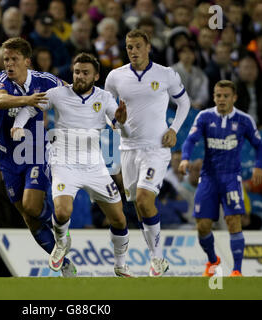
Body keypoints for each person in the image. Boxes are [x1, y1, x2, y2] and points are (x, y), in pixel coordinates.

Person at [12, 53, 132, 277]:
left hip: (94, 165)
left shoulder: (105, 98)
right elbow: (30, 108)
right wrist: (18, 125)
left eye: (85, 73)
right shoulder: (58, 94)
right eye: (77, 72)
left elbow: (118, 128)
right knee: (63, 210)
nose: (79, 77)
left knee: (119, 218)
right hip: (63, 162)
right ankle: (60, 244)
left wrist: (122, 122)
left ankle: (120, 264)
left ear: (96, 76)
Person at [104, 29, 191, 276]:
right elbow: (110, 115)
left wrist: (174, 129)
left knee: (144, 199)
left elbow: (184, 102)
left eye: (137, 46)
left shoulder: (165, 74)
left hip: (156, 148)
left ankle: (157, 258)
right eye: (129, 47)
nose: (133, 51)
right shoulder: (114, 77)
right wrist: (117, 121)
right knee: (139, 206)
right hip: (128, 149)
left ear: (148, 47)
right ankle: (157, 259)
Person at [0, 37, 76, 277]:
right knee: (29, 217)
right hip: (8, 156)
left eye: (14, 59)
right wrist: (28, 100)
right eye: (6, 59)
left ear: (27, 61)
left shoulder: (44, 80)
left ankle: (60, 228)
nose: (8, 64)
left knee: (31, 205)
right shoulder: (0, 81)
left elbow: (71, 93)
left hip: (36, 152)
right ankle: (64, 263)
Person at [178, 80, 262, 277]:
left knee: (233, 220)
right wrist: (185, 159)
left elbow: (259, 146)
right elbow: (191, 140)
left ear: (234, 97)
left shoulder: (244, 120)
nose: (221, 99)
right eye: (218, 95)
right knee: (202, 226)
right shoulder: (204, 116)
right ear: (214, 96)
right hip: (208, 177)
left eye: (226, 96)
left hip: (231, 178)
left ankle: (237, 270)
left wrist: (259, 167)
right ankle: (212, 260)